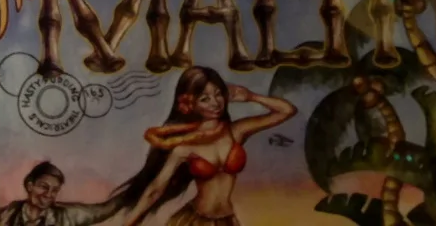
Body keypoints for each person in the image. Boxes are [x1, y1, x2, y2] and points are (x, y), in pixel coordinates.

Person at [105, 66, 296, 226]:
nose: (215, 103)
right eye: (204, 99)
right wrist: (129, 223)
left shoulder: (236, 132)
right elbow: (155, 190)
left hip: (227, 221)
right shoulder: (184, 147)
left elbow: (286, 111)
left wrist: (251, 96)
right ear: (190, 105)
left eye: (218, 94)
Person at [0, 160, 119, 226]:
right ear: (30, 186)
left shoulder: (66, 216)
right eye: (44, 187)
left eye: (55, 190)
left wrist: (134, 192)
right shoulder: (5, 216)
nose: (49, 194)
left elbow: (102, 210)